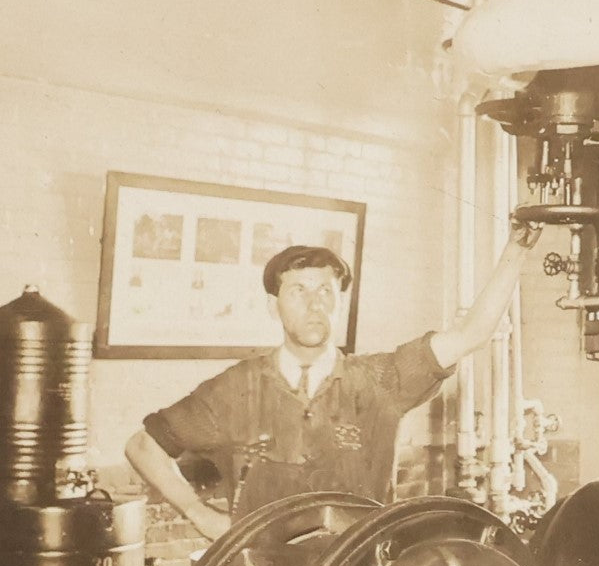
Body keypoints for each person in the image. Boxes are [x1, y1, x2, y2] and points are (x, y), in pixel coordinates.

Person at [125, 222, 542, 539]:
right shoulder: (236, 389)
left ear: (340, 302)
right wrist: (200, 515)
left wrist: (517, 248)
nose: (314, 304)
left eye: (326, 291)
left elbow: (471, 334)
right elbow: (143, 446)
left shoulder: (381, 380)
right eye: (299, 291)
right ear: (274, 306)